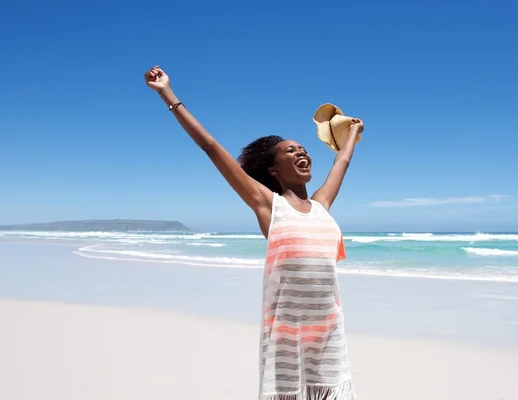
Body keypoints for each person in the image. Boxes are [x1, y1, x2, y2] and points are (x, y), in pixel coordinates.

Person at [144, 65, 363, 400]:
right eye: (291, 150)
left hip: (328, 331)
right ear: (274, 169)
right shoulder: (269, 206)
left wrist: (350, 138)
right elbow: (211, 146)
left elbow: (340, 164)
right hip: (287, 335)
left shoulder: (321, 205)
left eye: (303, 149)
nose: (301, 152)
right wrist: (167, 94)